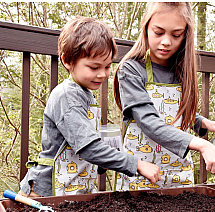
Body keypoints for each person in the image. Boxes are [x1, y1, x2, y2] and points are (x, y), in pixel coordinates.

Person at [19, 16, 160, 197]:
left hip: (72, 188)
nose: (102, 74)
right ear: (68, 61)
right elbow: (88, 148)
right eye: (94, 67)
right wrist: (136, 164)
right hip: (45, 193)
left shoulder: (84, 93)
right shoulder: (67, 96)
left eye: (108, 66)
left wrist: (103, 162)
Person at [113, 2, 215, 191]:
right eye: (159, 32)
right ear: (145, 26)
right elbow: (149, 121)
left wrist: (201, 122)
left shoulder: (181, 70)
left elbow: (173, 111)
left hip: (179, 176)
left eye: (176, 35)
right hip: (141, 179)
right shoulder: (131, 70)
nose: (167, 41)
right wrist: (202, 145)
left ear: (185, 34)